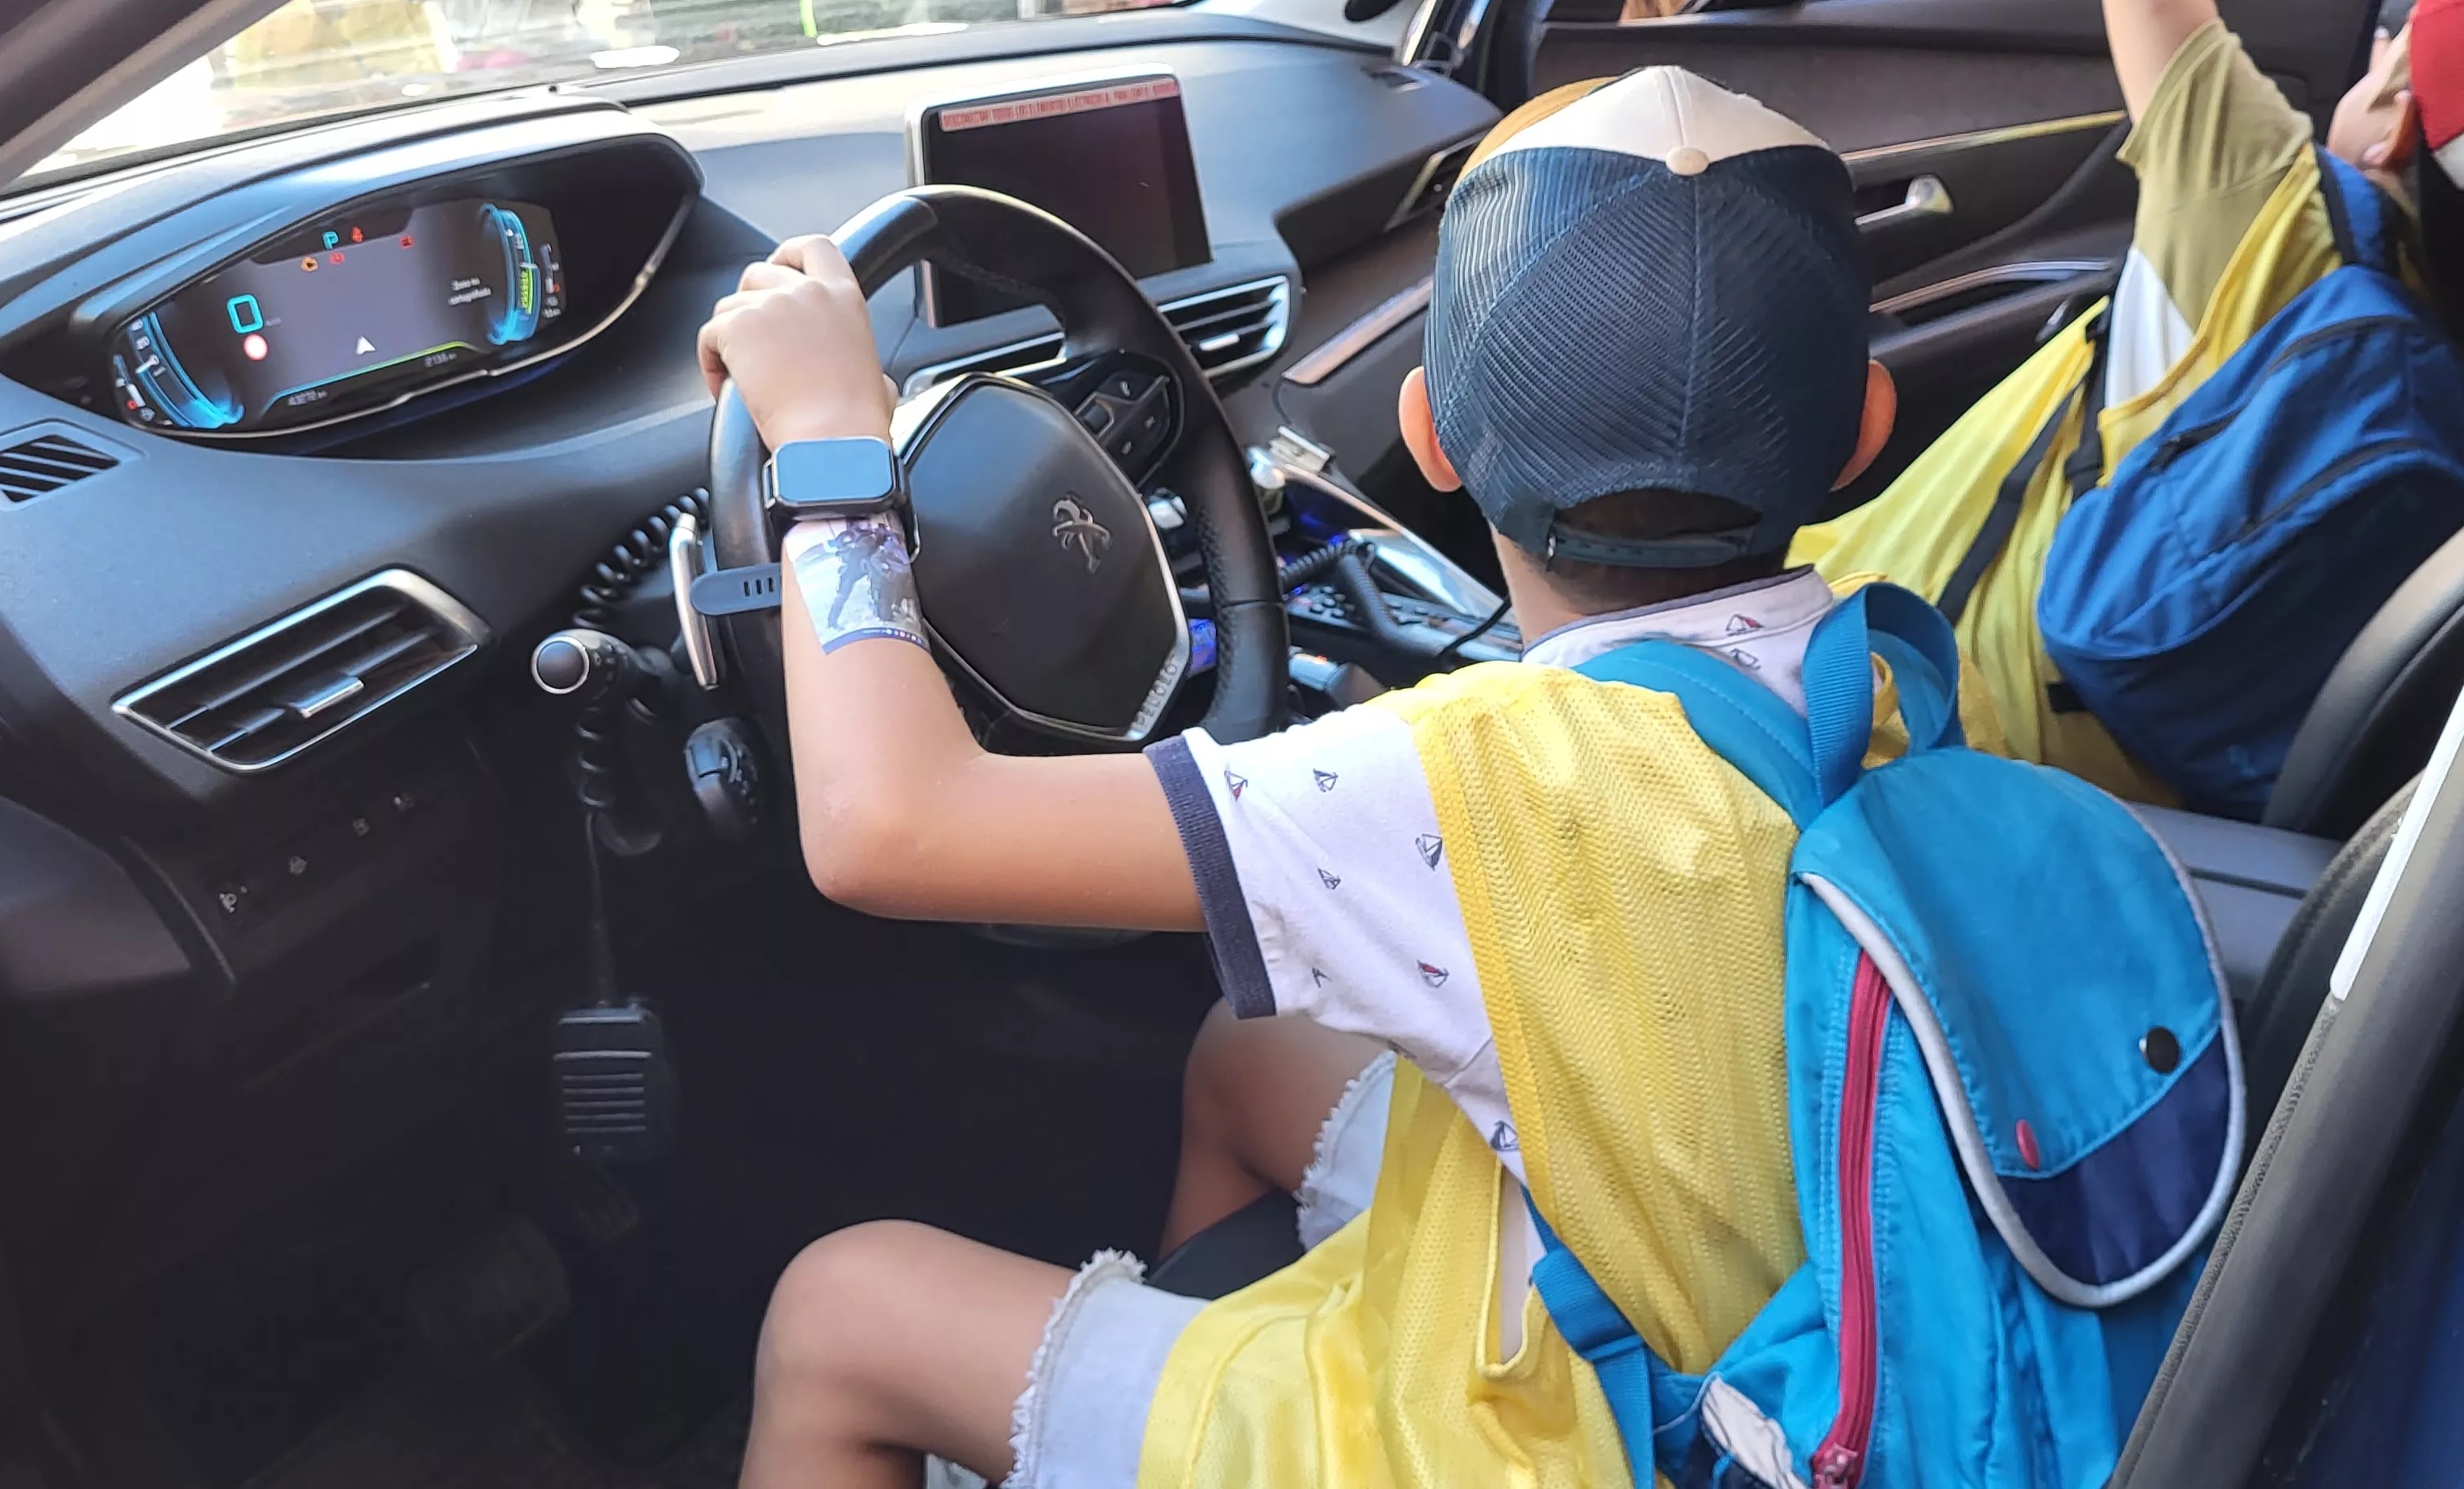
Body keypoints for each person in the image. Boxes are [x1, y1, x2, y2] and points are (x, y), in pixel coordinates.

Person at [699, 66, 1909, 1489]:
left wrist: (836, 445)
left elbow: (880, 826)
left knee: (840, 1309)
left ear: (1432, 437)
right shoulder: (1876, 668)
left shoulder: (1462, 781)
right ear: (1864, 432)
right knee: (1246, 1047)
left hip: (1562, 1434)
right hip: (1749, 1290)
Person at [1790, 0, 2464, 803]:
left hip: (1856, 707)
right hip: (2086, 810)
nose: (2378, 45)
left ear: (2392, 124)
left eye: (2392, 51)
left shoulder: (2268, 200)